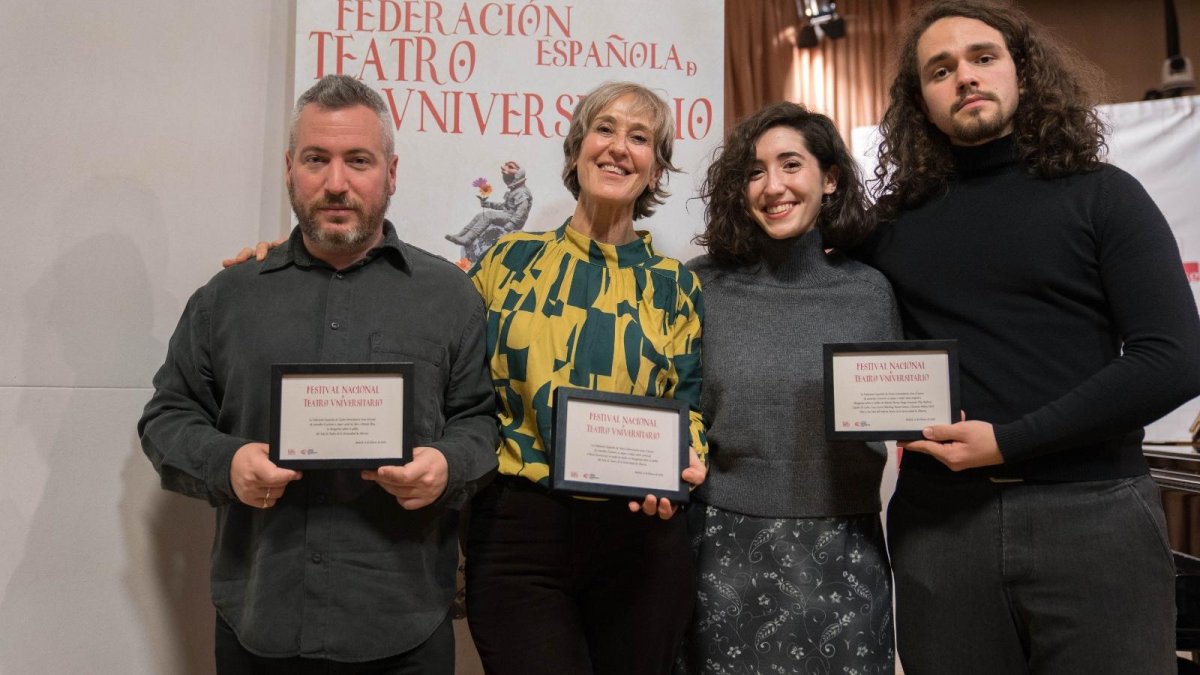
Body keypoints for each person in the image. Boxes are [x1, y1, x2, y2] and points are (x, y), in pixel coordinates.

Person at [855, 2, 1200, 672]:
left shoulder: (1105, 196)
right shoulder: (888, 230)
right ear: (919, 99)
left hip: (1094, 517)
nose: (965, 77)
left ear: (1022, 72)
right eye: (940, 68)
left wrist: (1010, 440)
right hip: (941, 528)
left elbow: (1174, 358)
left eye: (983, 58)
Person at [139, 74, 499, 674]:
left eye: (358, 160)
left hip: (403, 627)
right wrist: (226, 465)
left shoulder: (451, 297)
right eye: (316, 159)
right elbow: (167, 416)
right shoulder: (228, 298)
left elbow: (479, 419)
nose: (336, 183)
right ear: (289, 169)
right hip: (259, 623)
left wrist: (448, 466)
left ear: (390, 172)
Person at [463, 81, 708, 675]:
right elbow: (455, 383)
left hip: (641, 539)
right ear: (577, 150)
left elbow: (689, 405)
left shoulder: (676, 286)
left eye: (640, 137)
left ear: (656, 170)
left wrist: (686, 459)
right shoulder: (507, 262)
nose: (619, 147)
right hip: (521, 532)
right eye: (604, 129)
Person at [676, 102, 900, 674]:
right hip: (722, 547)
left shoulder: (870, 293)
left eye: (790, 165)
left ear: (829, 179)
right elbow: (679, 409)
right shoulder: (701, 285)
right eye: (754, 171)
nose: (772, 186)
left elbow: (897, 408)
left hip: (844, 547)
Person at [445, 160, 533, 263]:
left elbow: (522, 211)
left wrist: (512, 223)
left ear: (519, 173)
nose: (504, 168)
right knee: (480, 215)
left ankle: (468, 239)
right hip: (509, 215)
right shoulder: (515, 191)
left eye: (510, 167)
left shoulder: (521, 192)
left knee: (488, 215)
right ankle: (461, 235)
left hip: (514, 219)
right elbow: (505, 206)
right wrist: (488, 204)